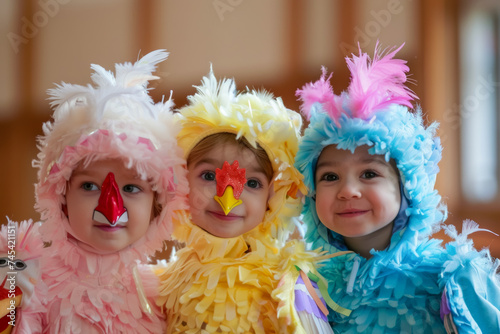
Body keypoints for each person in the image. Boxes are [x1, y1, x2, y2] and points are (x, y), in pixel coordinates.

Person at [294, 44, 500, 333]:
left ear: (408, 189)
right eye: (329, 177)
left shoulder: (451, 280)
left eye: (369, 173)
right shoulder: (308, 288)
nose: (348, 191)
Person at [156, 69, 335, 333]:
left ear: (273, 198)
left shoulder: (288, 282)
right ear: (180, 180)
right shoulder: (165, 283)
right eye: (208, 176)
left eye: (252, 183)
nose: (227, 200)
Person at [33, 49, 189, 332]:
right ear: (61, 197)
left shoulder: (168, 294)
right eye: (90, 186)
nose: (111, 208)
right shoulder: (27, 281)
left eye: (131, 187)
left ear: (157, 205)